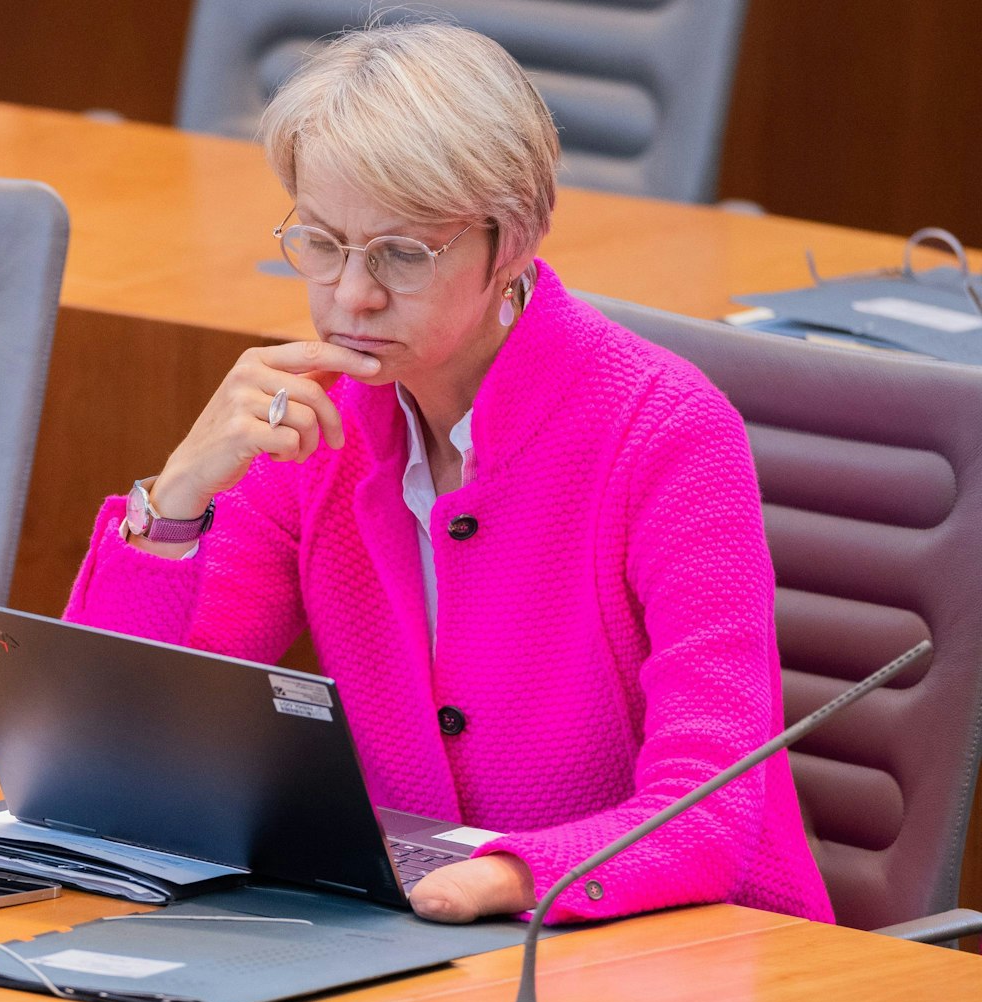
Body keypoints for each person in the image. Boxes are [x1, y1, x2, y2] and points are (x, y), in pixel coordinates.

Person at [62, 23, 832, 926]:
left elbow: (710, 808)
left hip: (679, 953)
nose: (352, 294)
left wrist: (502, 878)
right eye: (321, 242)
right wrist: (176, 501)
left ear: (511, 243)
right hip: (418, 938)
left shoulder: (666, 433)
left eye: (401, 254)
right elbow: (118, 754)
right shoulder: (318, 421)